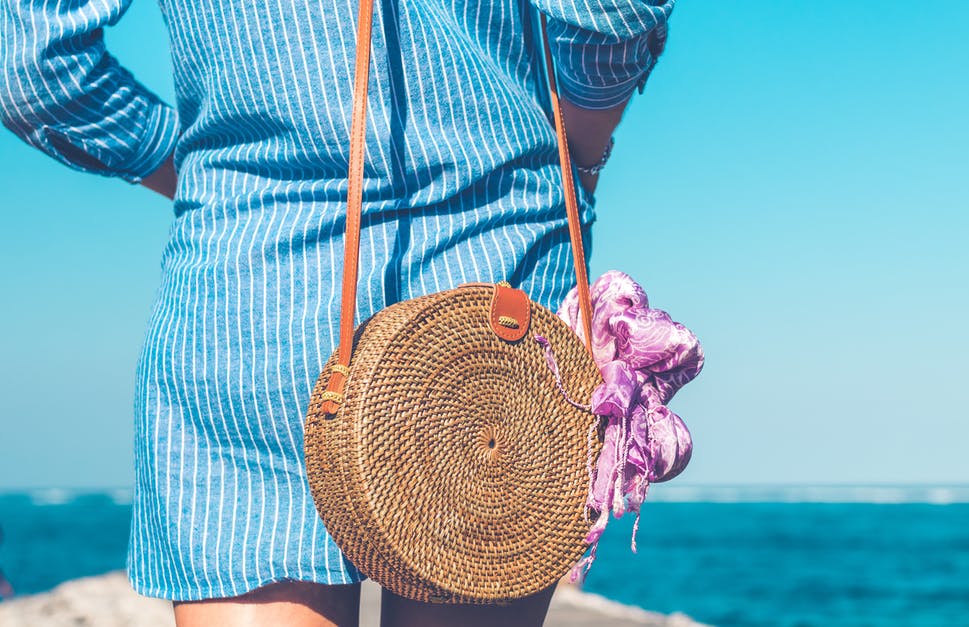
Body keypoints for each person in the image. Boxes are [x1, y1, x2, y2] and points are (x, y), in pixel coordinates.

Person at [0, 0, 674, 625]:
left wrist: (198, 169)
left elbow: (33, 66)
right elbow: (611, 13)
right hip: (491, 271)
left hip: (247, 288)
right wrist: (583, 148)